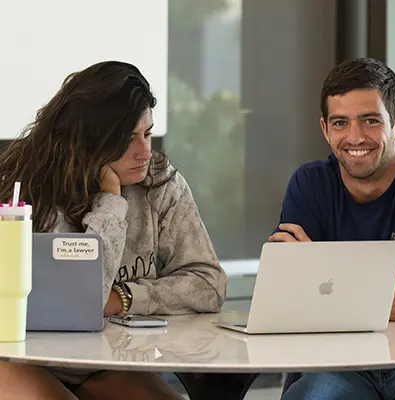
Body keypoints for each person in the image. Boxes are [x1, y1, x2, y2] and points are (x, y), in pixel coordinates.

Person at [0, 61, 226, 400]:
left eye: (147, 134)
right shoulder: (28, 186)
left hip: (106, 362)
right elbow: (81, 301)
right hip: (23, 359)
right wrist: (110, 203)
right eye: (127, 139)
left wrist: (123, 298)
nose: (145, 152)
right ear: (90, 139)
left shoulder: (161, 184)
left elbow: (208, 284)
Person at [268, 57, 395, 399]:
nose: (355, 137)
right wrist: (384, 296)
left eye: (370, 120)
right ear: (324, 129)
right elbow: (290, 300)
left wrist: (324, 279)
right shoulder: (309, 182)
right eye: (340, 122)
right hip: (345, 362)